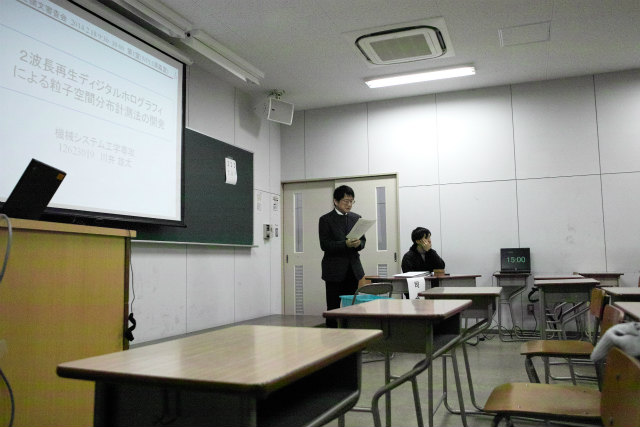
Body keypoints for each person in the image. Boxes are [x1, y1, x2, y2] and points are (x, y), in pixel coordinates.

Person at [319, 185, 366, 327]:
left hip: (353, 270)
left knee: (351, 307)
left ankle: (351, 336)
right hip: (334, 270)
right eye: (346, 201)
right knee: (333, 307)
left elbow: (363, 241)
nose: (349, 204)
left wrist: (358, 244)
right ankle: (332, 337)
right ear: (335, 201)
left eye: (352, 201)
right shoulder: (326, 220)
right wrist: (345, 244)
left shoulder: (356, 218)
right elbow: (325, 245)